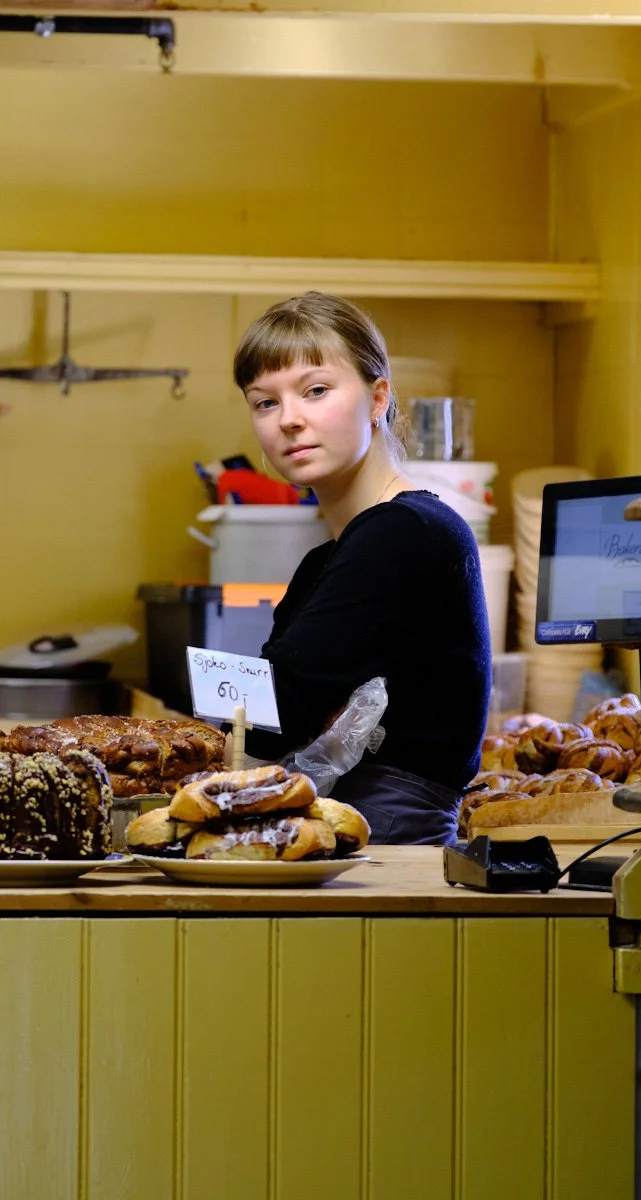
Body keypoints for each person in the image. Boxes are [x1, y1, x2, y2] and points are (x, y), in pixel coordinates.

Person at [232, 291, 491, 845]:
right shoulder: (333, 555)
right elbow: (274, 712)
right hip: (344, 817)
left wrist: (214, 694)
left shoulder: (404, 532)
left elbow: (278, 703)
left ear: (378, 398)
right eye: (265, 403)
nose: (290, 420)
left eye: (316, 390)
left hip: (389, 835)